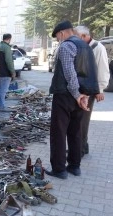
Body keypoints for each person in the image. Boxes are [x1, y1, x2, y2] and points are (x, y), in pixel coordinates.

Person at [45, 20, 99, 179]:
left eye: (57, 37)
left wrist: (76, 95)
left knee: (59, 132)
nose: (58, 40)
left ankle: (59, 169)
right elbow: (89, 72)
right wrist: (85, 95)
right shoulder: (85, 46)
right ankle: (75, 166)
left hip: (66, 95)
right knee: (76, 131)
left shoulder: (66, 46)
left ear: (62, 33)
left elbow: (70, 74)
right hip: (82, 95)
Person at [73, 25, 110, 157]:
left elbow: (103, 69)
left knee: (83, 120)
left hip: (90, 89)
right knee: (79, 119)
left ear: (84, 36)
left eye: (76, 37)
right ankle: (83, 146)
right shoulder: (83, 46)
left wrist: (100, 89)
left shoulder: (98, 48)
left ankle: (80, 149)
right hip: (82, 88)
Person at [0, 33, 15, 112]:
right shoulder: (7, 47)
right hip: (5, 73)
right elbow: (9, 61)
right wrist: (12, 72)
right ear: (9, 39)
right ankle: (1, 107)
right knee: (3, 90)